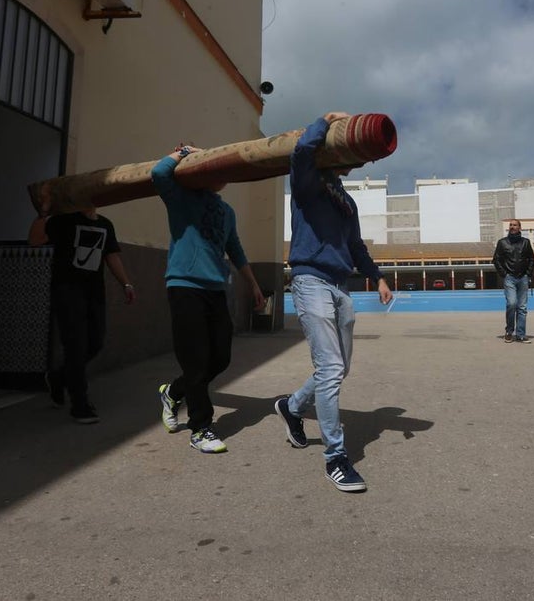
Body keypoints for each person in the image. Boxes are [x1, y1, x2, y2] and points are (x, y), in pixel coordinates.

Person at [274, 112, 392, 493]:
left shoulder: (347, 201)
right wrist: (323, 121)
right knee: (329, 367)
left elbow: (355, 245)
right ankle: (336, 458)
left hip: (341, 286)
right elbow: (301, 150)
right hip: (310, 280)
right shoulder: (308, 182)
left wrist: (377, 275)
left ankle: (292, 407)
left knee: (339, 369)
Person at [151, 144, 265, 454]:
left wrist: (252, 284)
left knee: (221, 357)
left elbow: (236, 249)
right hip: (184, 285)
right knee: (196, 360)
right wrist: (184, 151)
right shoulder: (180, 199)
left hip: (216, 289)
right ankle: (200, 427)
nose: (222, 177)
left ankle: (173, 391)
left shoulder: (226, 211)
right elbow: (159, 173)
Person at [29, 203, 135, 424]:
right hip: (67, 290)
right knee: (75, 346)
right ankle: (80, 404)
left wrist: (126, 284)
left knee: (95, 342)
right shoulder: (64, 220)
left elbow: (111, 256)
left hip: (94, 292)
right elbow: (35, 240)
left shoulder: (106, 224)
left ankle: (58, 378)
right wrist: (42, 216)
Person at [492, 219, 534, 343]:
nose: (512, 227)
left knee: (522, 307)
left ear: (520, 227)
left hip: (523, 278)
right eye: (511, 225)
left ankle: (521, 334)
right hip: (509, 278)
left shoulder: (526, 243)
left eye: (515, 225)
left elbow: (532, 259)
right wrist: (504, 274)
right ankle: (509, 332)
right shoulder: (502, 243)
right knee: (511, 304)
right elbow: (496, 260)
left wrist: (528, 274)